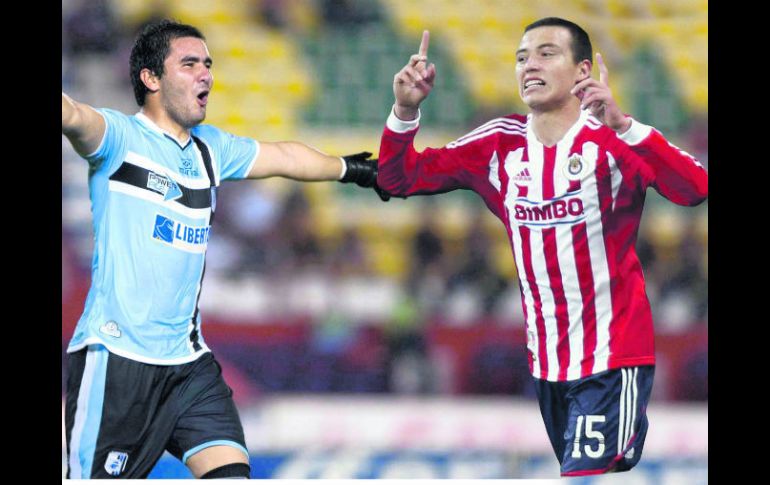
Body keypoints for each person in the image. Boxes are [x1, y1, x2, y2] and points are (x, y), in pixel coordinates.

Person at [376, 17, 707, 476]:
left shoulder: (613, 141)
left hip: (612, 357)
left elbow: (695, 188)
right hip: (548, 366)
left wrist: (626, 124)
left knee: (583, 478)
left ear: (582, 71)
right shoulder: (499, 145)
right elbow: (398, 177)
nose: (529, 65)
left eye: (546, 53)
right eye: (521, 57)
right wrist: (405, 111)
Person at [62, 19, 383, 479]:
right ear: (151, 79)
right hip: (117, 363)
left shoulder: (211, 149)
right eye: (189, 64)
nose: (206, 74)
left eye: (208, 64)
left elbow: (285, 157)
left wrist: (352, 170)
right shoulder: (118, 139)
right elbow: (73, 115)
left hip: (189, 366)